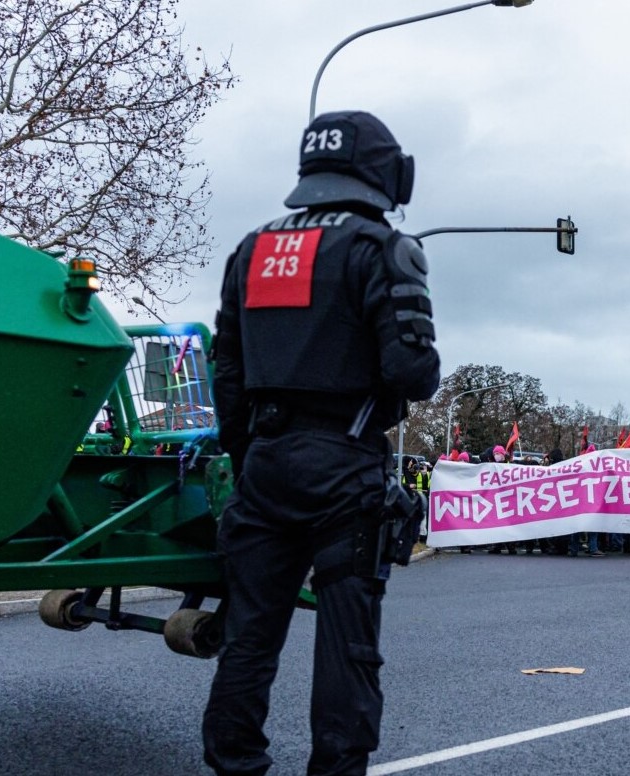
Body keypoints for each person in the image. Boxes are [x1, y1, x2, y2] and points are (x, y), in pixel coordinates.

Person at [205, 110, 440, 776]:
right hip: (344, 467)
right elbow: (411, 373)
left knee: (249, 639)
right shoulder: (381, 247)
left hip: (265, 466)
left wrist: (249, 458)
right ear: (384, 174)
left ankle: (234, 764)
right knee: (347, 649)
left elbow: (228, 373)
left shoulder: (250, 250)